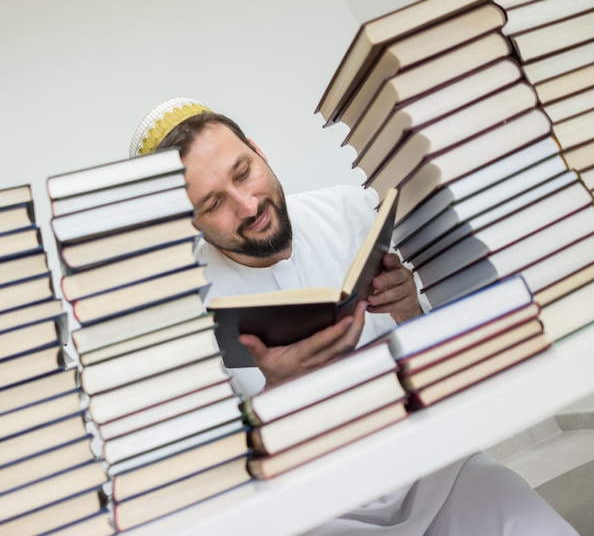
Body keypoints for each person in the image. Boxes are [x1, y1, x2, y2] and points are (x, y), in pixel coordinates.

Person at [128, 97, 579, 535]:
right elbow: (209, 478)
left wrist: (410, 311)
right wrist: (275, 397)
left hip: (436, 474)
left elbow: (446, 370)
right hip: (313, 515)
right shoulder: (183, 316)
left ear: (259, 150)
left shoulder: (351, 210)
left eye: (244, 173)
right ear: (188, 222)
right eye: (213, 204)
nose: (247, 206)